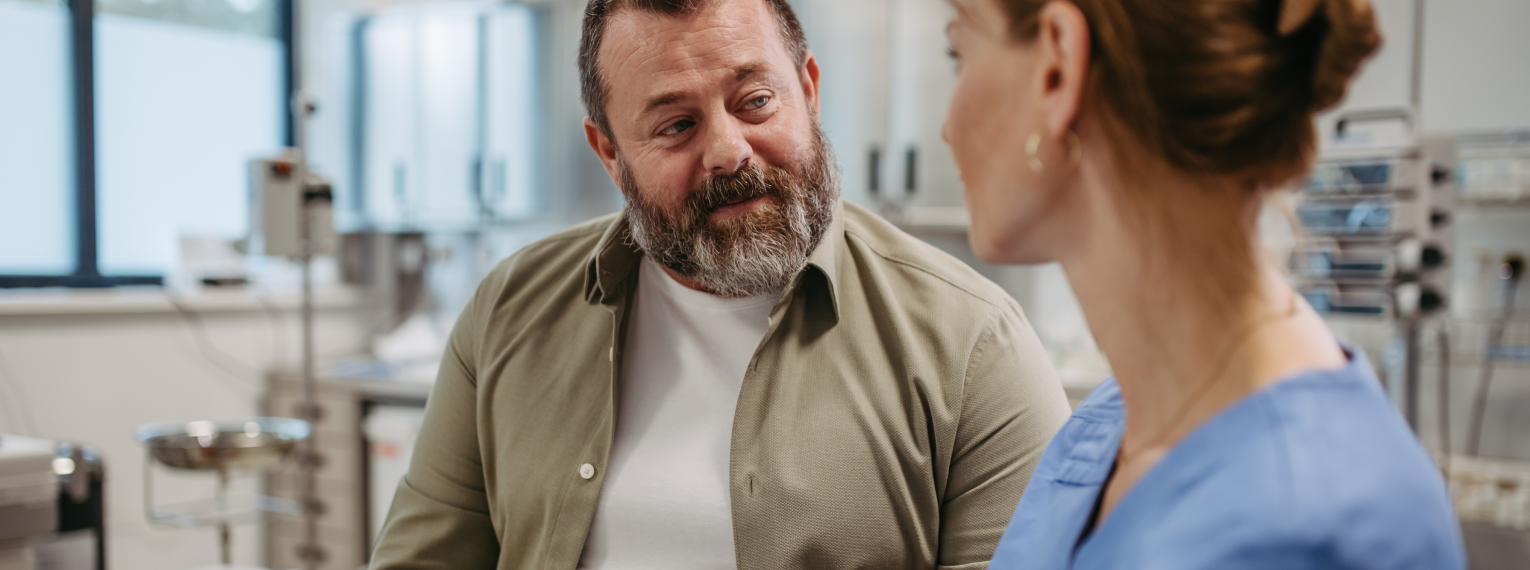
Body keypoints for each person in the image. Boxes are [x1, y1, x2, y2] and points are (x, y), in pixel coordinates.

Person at [369, 0, 1073, 568]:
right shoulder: (509, 311)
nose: (729, 151)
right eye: (676, 125)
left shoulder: (975, 346)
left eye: (756, 100)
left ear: (810, 89)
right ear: (610, 153)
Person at [941, 0, 1466, 568]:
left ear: (1058, 69)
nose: (947, 128)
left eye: (959, 54)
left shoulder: (1319, 525)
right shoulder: (1104, 432)